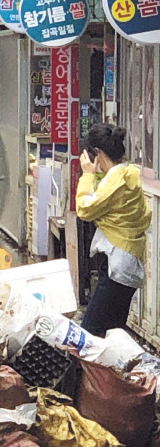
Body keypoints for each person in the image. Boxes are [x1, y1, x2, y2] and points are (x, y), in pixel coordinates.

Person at [76, 124, 152, 337]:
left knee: (90, 332)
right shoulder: (129, 173)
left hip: (116, 263)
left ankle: (87, 371)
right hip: (128, 260)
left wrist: (87, 176)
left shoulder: (115, 178)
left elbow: (84, 209)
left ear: (97, 153)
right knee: (113, 332)